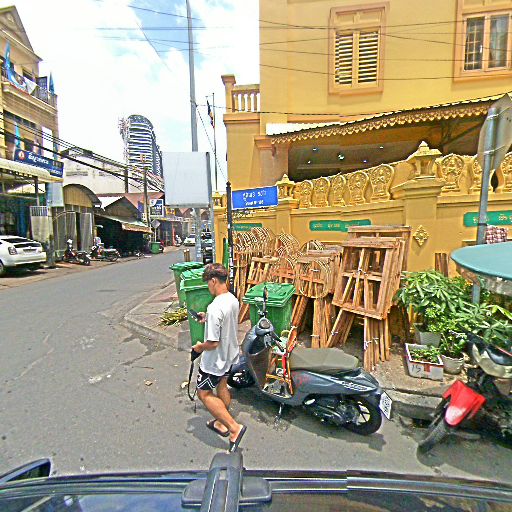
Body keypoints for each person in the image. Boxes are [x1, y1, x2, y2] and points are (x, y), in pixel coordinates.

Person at [193, 263, 247, 452]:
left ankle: (233, 427)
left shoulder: (215, 307)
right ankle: (221, 422)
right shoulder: (232, 299)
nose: (208, 287)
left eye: (208, 283)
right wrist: (207, 318)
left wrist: (199, 347)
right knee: (222, 385)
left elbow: (212, 343)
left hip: (214, 361)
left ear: (214, 280)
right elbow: (225, 322)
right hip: (229, 355)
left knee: (204, 394)